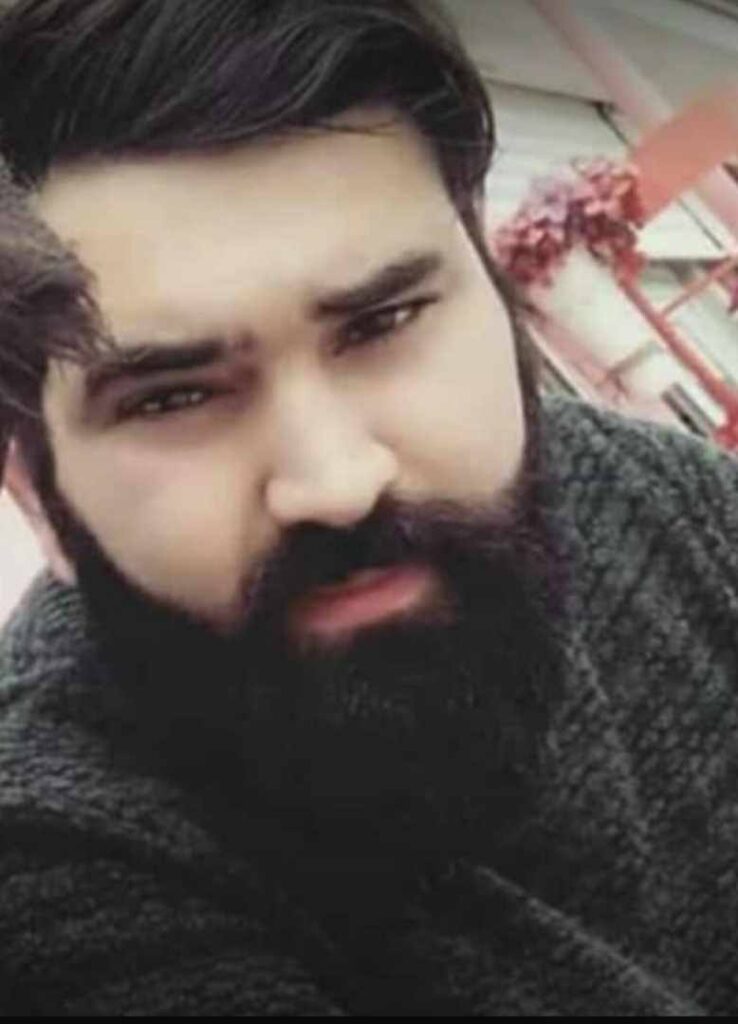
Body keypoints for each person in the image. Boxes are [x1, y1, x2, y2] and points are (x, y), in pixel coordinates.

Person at [0, 0, 736, 1015]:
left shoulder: (661, 496)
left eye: (384, 321)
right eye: (170, 397)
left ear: (500, 301)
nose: (337, 479)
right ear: (38, 498)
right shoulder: (59, 870)